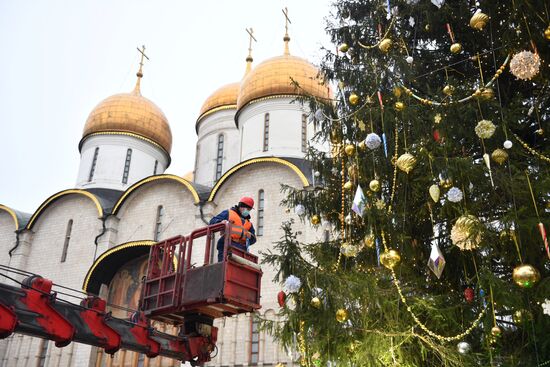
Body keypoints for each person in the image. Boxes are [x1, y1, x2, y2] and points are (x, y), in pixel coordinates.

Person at [209, 196, 257, 262]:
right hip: (227, 245)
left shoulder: (249, 223)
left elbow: (253, 239)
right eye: (247, 209)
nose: (248, 211)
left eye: (249, 210)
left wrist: (250, 236)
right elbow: (212, 221)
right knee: (225, 267)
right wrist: (220, 222)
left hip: (241, 250)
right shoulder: (228, 213)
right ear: (241, 206)